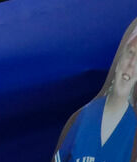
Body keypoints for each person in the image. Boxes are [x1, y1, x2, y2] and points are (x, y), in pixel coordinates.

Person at [53, 18, 137, 162]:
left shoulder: (132, 129)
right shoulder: (82, 118)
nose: (131, 65)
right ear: (118, 60)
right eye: (130, 53)